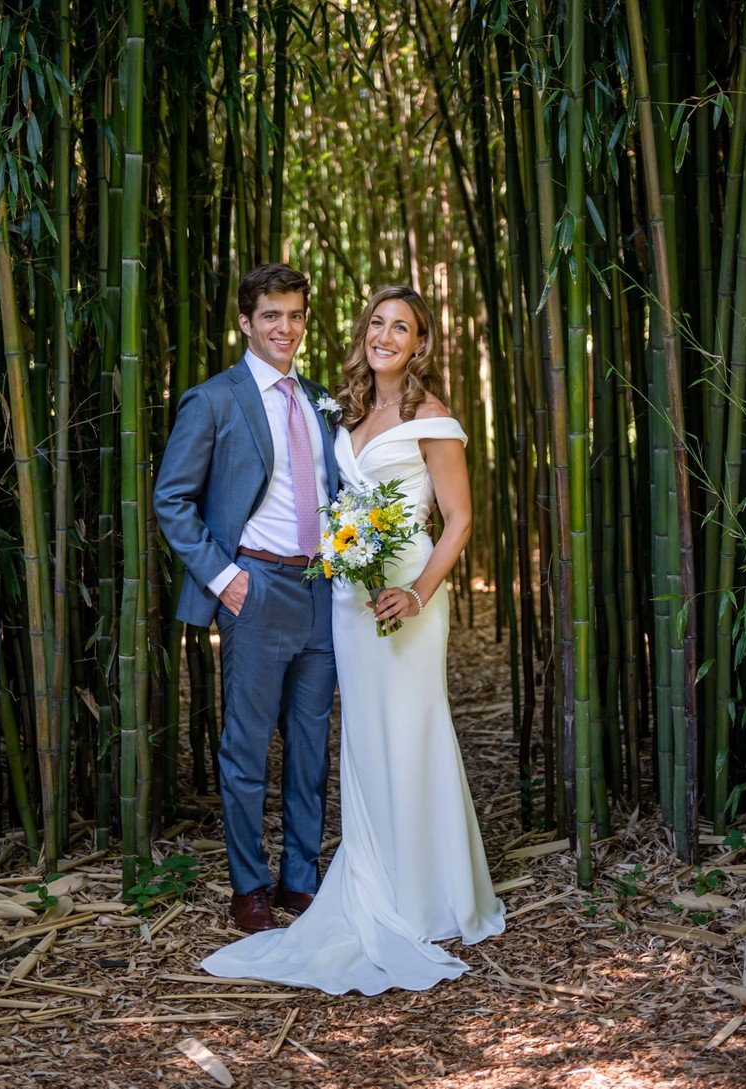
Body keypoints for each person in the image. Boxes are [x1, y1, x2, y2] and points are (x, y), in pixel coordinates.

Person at [202, 285, 505, 994]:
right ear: (363, 330)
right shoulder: (344, 407)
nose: (386, 335)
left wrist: (420, 591)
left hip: (408, 596)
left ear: (421, 343)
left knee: (414, 727)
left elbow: (458, 519)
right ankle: (378, 869)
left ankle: (429, 890)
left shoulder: (433, 417)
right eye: (378, 321)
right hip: (347, 598)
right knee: (365, 739)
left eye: (402, 327)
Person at [154, 263, 338, 934]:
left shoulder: (322, 401)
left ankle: (300, 879)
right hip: (254, 588)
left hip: (320, 589)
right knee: (245, 747)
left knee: (312, 747)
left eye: (294, 315)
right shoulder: (215, 399)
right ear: (244, 322)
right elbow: (171, 500)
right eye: (270, 316)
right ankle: (248, 888)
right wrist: (223, 576)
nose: (284, 327)